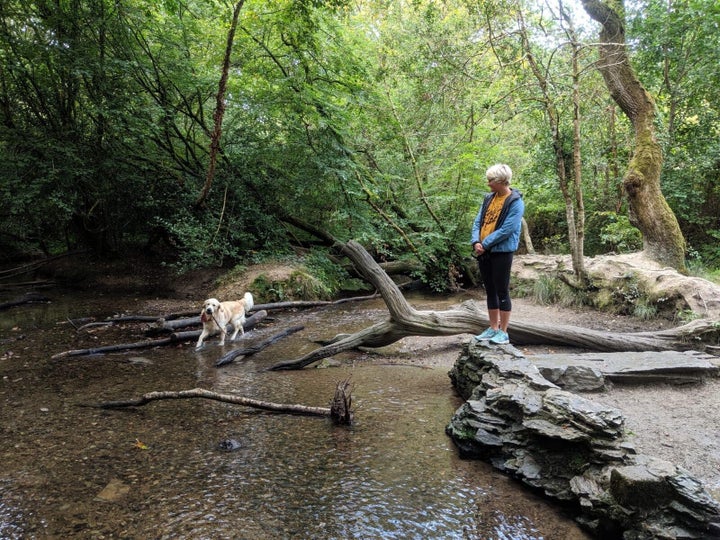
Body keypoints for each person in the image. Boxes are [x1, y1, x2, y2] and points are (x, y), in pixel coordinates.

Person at [470, 163, 525, 345]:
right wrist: (476, 241)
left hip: (501, 252)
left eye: (490, 180)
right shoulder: (489, 198)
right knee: (490, 290)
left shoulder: (515, 202)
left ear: (501, 181)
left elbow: (507, 230)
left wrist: (484, 244)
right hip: (484, 251)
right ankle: (493, 328)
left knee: (502, 291)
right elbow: (478, 220)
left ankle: (503, 332)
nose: (488, 183)